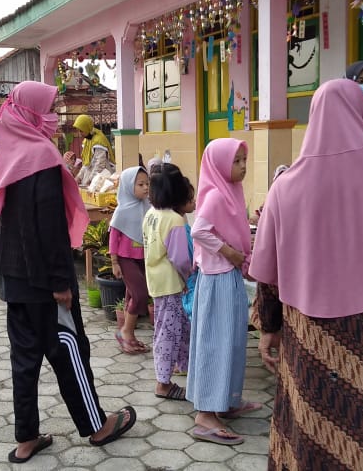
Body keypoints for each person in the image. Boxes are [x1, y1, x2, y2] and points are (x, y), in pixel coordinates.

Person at [250, 79, 363, 470]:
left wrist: (268, 328)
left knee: (312, 422)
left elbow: (269, 277)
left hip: (310, 334)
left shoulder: (285, 188)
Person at [0, 80, 136, 463]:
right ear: (32, 113)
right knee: (70, 350)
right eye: (49, 108)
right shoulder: (41, 155)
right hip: (44, 281)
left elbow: (2, 217)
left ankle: (26, 439)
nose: (54, 116)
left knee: (24, 360)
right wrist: (60, 283)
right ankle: (97, 426)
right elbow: (50, 228)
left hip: (15, 280)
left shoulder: (5, 153)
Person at [186, 137, 261, 446]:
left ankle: (227, 401)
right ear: (218, 164)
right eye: (236, 161)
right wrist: (229, 252)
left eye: (244, 160)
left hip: (227, 277)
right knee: (216, 343)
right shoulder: (217, 195)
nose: (243, 167)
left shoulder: (231, 191)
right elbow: (198, 231)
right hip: (217, 280)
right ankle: (205, 415)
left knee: (232, 341)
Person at [142, 163, 194, 400]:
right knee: (169, 333)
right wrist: (188, 277)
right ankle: (163, 383)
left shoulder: (151, 214)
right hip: (173, 284)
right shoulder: (175, 220)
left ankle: (183, 366)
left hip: (156, 282)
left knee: (178, 328)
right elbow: (181, 259)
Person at [110, 166, 152, 354]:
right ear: (128, 186)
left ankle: (128, 334)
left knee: (131, 295)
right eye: (140, 184)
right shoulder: (122, 211)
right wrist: (114, 262)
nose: (146, 188)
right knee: (140, 294)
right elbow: (113, 238)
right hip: (125, 259)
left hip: (143, 258)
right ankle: (126, 331)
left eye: (147, 184)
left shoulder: (147, 206)